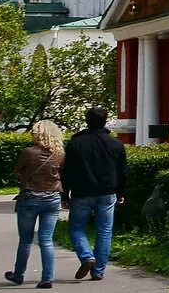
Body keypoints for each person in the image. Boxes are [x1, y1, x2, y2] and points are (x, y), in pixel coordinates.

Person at [60, 108, 127, 282]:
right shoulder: (116, 144)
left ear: (86, 120)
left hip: (82, 192)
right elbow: (122, 171)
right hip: (107, 192)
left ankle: (86, 256)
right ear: (105, 121)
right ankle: (98, 271)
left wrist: (64, 195)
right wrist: (121, 192)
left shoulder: (76, 143)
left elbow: (67, 171)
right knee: (104, 231)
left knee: (76, 228)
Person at [6, 120, 66, 288]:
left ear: (38, 134)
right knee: (46, 240)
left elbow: (17, 171)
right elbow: (61, 173)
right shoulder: (60, 153)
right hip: (52, 198)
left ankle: (18, 275)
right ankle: (47, 278)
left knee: (25, 240)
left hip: (30, 197)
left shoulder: (28, 152)